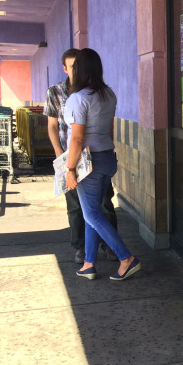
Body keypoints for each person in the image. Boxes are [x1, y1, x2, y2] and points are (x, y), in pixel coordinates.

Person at [64, 48, 141, 281]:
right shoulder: (109, 94)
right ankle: (89, 263)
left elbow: (77, 138)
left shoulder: (78, 99)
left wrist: (69, 169)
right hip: (107, 157)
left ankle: (126, 259)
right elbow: (109, 128)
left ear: (79, 70)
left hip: (90, 163)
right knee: (92, 212)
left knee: (93, 215)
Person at [45, 48, 118, 264]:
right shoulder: (104, 93)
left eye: (77, 66)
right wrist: (61, 156)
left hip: (87, 159)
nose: (74, 70)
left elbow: (79, 137)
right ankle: (86, 257)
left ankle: (121, 254)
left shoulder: (83, 96)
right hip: (87, 156)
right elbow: (53, 126)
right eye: (71, 66)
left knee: (98, 210)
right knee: (81, 209)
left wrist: (69, 168)